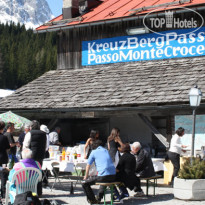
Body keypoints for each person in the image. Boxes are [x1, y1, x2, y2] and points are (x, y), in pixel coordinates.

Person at [82, 139, 116, 204]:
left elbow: (88, 165)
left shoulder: (94, 152)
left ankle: (93, 200)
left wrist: (85, 176)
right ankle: (99, 198)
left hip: (103, 176)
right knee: (103, 179)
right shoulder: (106, 151)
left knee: (85, 183)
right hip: (113, 176)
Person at [23, 120, 47, 195]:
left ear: (31, 127)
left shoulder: (29, 133)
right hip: (40, 156)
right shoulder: (44, 134)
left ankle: (30, 192)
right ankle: (39, 192)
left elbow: (25, 145)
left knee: (30, 173)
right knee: (39, 173)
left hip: (31, 156)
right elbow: (45, 146)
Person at [0, 121, 10, 199]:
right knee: (3, 176)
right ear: (3, 128)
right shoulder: (4, 137)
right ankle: (3, 193)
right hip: (3, 158)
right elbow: (7, 148)